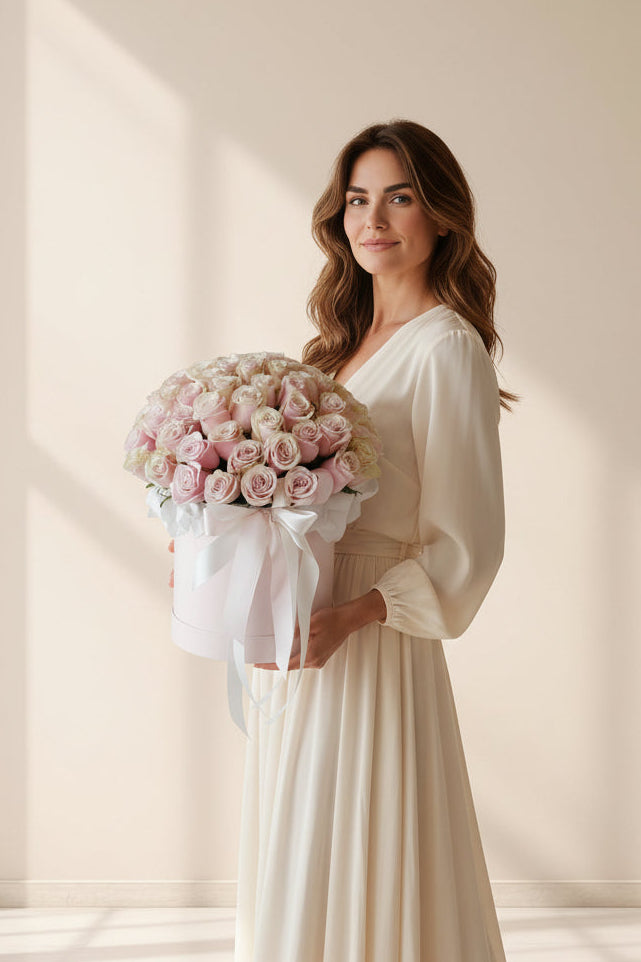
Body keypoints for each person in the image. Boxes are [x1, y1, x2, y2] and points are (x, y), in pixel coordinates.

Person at [173, 118, 517, 961]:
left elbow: (468, 540)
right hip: (300, 635)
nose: (375, 217)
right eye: (358, 198)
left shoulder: (447, 348)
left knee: (363, 840)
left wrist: (357, 613)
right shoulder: (335, 357)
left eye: (399, 196)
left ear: (439, 215)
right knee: (299, 845)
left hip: (369, 640)